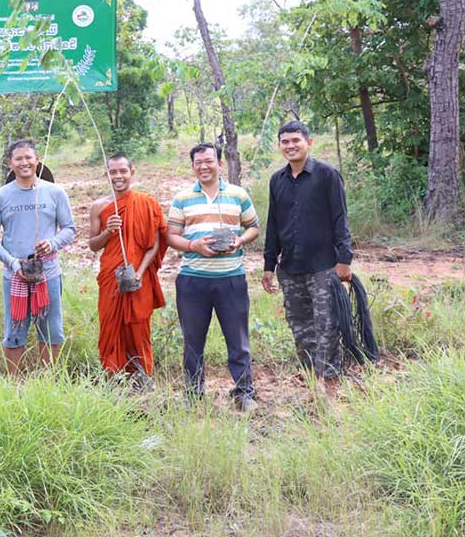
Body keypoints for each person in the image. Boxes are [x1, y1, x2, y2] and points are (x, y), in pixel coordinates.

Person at [166, 143, 261, 410]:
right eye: (198, 163)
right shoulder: (182, 198)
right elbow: (171, 236)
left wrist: (240, 240)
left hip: (231, 278)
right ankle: (193, 394)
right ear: (193, 166)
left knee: (238, 340)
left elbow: (253, 227)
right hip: (193, 279)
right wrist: (193, 245)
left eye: (209, 161)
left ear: (219, 164)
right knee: (192, 341)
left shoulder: (237, 194)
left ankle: (244, 392)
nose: (204, 167)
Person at [261, 121, 353, 393]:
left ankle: (331, 389)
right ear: (280, 145)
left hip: (324, 267)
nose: (290, 146)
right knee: (301, 330)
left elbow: (340, 219)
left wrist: (344, 260)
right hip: (290, 268)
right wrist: (269, 265)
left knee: (327, 328)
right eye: (285, 141)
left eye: (295, 140)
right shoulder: (277, 180)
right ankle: (314, 385)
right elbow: (273, 225)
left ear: (308, 142)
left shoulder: (327, 175)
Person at [0, 139, 76, 373]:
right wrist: (13, 263)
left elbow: (69, 229)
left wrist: (52, 243)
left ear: (37, 160)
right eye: (18, 158)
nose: (24, 162)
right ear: (10, 163)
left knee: (51, 330)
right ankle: (14, 382)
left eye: (28, 158)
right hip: (15, 275)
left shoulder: (55, 192)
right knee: (14, 330)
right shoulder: (0, 196)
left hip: (48, 273)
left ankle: (49, 380)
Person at [88, 153, 167, 385]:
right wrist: (108, 231)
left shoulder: (146, 203)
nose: (118, 176)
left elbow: (154, 245)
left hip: (138, 275)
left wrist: (139, 273)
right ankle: (112, 376)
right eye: (113, 172)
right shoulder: (99, 206)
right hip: (111, 276)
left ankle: (142, 376)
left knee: (139, 325)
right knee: (110, 324)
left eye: (123, 171)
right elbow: (93, 245)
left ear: (132, 172)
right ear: (107, 175)